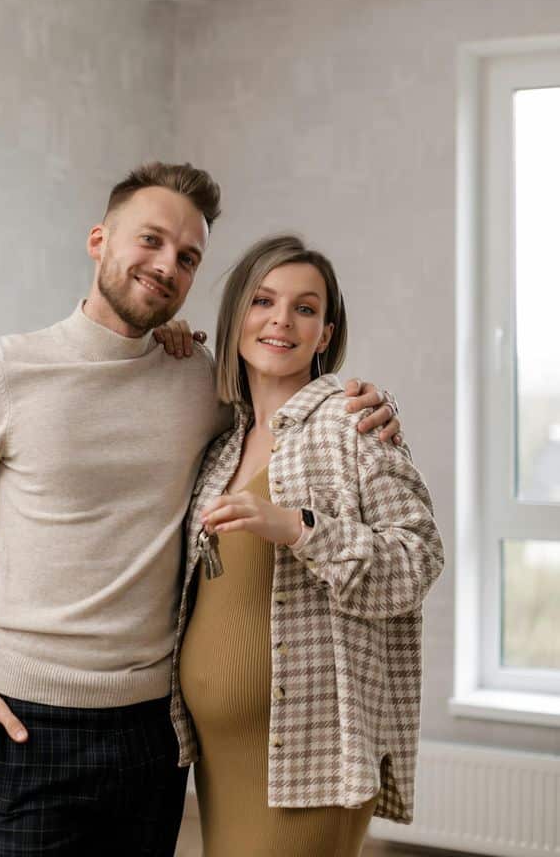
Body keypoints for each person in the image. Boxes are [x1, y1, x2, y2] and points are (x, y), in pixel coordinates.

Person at [0, 163, 403, 857]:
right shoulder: (3, 374)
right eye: (150, 241)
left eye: (187, 257)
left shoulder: (197, 380)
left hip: (153, 731)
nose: (166, 265)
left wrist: (368, 402)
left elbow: (283, 400)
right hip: (28, 725)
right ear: (99, 240)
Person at [166, 234, 444, 857]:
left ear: (326, 333)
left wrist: (298, 528)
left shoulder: (352, 424)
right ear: (236, 315)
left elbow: (418, 558)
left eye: (306, 308)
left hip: (307, 754)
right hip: (222, 752)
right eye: (263, 301)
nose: (281, 321)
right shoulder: (222, 444)